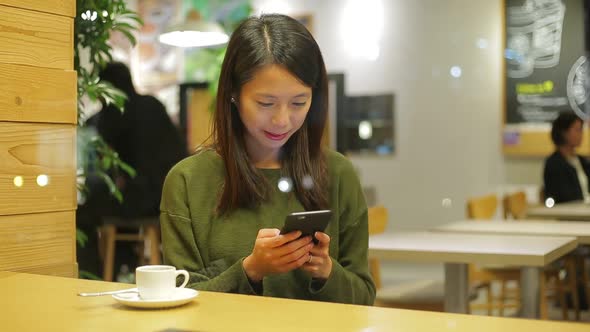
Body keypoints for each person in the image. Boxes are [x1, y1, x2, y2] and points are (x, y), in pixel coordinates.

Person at [160, 14, 376, 305]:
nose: (282, 120)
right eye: (265, 103)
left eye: (299, 102)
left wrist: (326, 272)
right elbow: (176, 297)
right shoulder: (187, 181)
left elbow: (364, 299)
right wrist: (250, 271)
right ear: (233, 94)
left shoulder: (337, 174)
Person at [77, 62, 186, 277]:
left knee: (81, 214)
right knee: (117, 202)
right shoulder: (153, 104)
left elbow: (104, 160)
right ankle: (123, 264)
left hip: (142, 201)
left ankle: (96, 276)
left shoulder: (113, 113)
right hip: (173, 199)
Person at [543, 111, 590, 204]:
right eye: (577, 130)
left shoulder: (582, 160)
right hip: (569, 215)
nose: (581, 134)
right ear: (564, 132)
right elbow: (565, 197)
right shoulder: (554, 164)